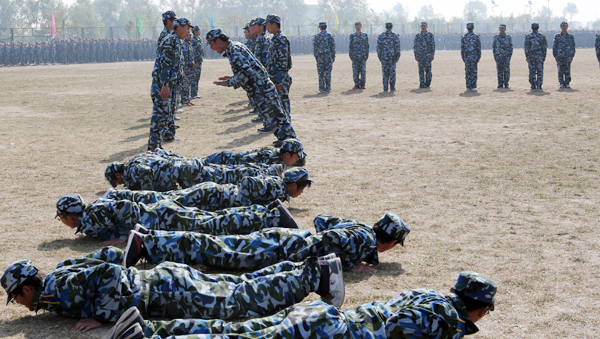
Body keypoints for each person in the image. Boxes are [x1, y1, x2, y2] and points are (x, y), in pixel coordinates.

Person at [1, 247, 345, 333]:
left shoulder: (58, 287)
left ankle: (317, 275)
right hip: (163, 284)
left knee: (238, 303)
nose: (17, 303)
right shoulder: (55, 284)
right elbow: (106, 255)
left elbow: (108, 269)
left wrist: (101, 316)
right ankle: (307, 270)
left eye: (16, 296)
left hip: (165, 292)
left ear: (27, 288)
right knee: (237, 288)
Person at [110, 271, 495, 339]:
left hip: (323, 317)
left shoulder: (429, 297)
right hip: (328, 333)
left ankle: (152, 328)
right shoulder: (446, 322)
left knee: (239, 330)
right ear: (476, 307)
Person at [123, 210, 410, 273]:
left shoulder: (362, 230)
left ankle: (150, 240)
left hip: (283, 241)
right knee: (215, 249)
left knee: (216, 247)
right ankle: (147, 242)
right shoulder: (364, 240)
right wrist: (350, 264)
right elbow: (332, 236)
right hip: (278, 248)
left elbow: (325, 221)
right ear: (390, 243)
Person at [55, 193, 298, 242]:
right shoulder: (91, 217)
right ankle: (267, 212)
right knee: (213, 220)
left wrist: (131, 234)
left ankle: (272, 216)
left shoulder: (93, 218)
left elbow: (126, 207)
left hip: (162, 219)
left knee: (213, 225)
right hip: (163, 215)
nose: (63, 222)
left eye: (61, 218)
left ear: (70, 216)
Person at [208, 28, 297, 145]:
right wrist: (232, 78)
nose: (211, 48)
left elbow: (246, 71)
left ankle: (292, 142)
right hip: (259, 88)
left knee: (277, 115)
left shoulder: (234, 50)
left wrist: (230, 82)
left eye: (211, 44)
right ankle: (284, 140)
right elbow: (246, 70)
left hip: (262, 88)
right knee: (272, 117)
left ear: (218, 41)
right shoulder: (234, 47)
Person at [106, 167, 312, 211]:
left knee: (167, 199)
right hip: (213, 196)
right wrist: (245, 204)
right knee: (166, 201)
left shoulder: (278, 189)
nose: (300, 193)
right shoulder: (277, 187)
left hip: (214, 196)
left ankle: (121, 197)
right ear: (293, 185)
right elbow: (249, 181)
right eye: (301, 189)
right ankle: (118, 196)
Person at [104, 149, 281, 192]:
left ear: (119, 174)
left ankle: (269, 172)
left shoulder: (134, 169)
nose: (120, 183)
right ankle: (266, 170)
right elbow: (159, 153)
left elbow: (146, 173)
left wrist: (146, 192)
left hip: (187, 175)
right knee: (227, 172)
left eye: (117, 181)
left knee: (228, 177)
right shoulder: (137, 158)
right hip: (187, 167)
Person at [147, 18, 191, 151]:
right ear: (179, 28)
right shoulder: (170, 41)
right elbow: (165, 65)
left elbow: (175, 64)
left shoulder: (177, 41)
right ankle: (153, 146)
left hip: (171, 85)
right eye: (186, 28)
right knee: (160, 116)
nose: (188, 31)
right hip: (163, 85)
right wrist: (165, 84)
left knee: (166, 116)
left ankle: (158, 145)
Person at [202, 137, 306, 166]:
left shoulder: (279, 158)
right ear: (287, 154)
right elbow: (243, 163)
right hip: (222, 162)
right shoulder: (270, 158)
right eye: (297, 156)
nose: (297, 159)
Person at [266, 15, 293, 117]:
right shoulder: (275, 38)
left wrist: (280, 81)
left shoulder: (280, 38)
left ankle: (287, 126)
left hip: (280, 78)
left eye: (268, 24)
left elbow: (282, 62)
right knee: (278, 104)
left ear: (274, 24)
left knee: (283, 103)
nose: (267, 28)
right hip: (276, 77)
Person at [376, 22, 401, 92]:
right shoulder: (395, 36)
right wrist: (397, 56)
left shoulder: (381, 36)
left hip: (384, 57)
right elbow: (397, 47)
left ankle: (385, 88)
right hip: (392, 57)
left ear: (385, 27)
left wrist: (380, 56)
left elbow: (378, 47)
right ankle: (392, 87)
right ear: (392, 27)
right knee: (392, 72)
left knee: (385, 73)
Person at [313, 22, 336, 92]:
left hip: (320, 56)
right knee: (328, 72)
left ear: (320, 28)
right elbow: (333, 47)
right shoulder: (330, 36)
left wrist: (316, 57)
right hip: (328, 56)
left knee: (321, 73)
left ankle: (321, 88)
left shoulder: (317, 37)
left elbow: (315, 48)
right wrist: (333, 56)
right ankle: (328, 88)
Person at [524, 22, 548, 91]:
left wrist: (527, 55)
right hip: (539, 56)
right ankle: (539, 86)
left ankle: (533, 85)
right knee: (540, 71)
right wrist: (544, 56)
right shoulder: (542, 36)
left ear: (531, 28)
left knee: (532, 71)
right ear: (538, 27)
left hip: (531, 56)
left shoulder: (528, 36)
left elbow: (526, 47)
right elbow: (544, 47)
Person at [552, 21, 576, 89]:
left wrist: (572, 55)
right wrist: (555, 55)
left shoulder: (571, 37)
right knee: (560, 70)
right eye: (563, 26)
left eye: (565, 26)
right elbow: (554, 46)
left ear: (567, 27)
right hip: (560, 56)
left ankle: (567, 83)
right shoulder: (557, 36)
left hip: (568, 56)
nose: (564, 28)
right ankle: (561, 83)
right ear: (560, 27)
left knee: (567, 70)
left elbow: (573, 46)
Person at [413, 21, 436, 88]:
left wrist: (432, 54)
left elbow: (433, 45)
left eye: (424, 26)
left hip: (428, 56)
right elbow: (415, 46)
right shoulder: (417, 36)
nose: (423, 27)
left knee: (428, 71)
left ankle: (427, 83)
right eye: (422, 26)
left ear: (427, 26)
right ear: (420, 27)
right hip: (420, 56)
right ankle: (422, 84)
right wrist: (415, 55)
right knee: (421, 71)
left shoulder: (430, 35)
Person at [461, 22, 481, 91]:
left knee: (468, 72)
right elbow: (478, 47)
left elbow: (462, 48)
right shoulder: (476, 36)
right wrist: (479, 56)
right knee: (474, 71)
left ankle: (468, 86)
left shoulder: (464, 36)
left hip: (467, 56)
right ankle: (473, 86)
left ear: (467, 28)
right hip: (474, 56)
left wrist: (463, 57)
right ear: (473, 28)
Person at [349, 21, 369, 90]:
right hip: (355, 56)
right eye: (356, 25)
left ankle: (362, 84)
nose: (358, 27)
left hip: (363, 56)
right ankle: (356, 84)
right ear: (355, 27)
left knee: (363, 71)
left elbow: (367, 46)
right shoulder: (352, 36)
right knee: (355, 71)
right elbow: (350, 46)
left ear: (361, 26)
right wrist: (350, 55)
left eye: (359, 25)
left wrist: (367, 55)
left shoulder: (364, 35)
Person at [492, 24, 513, 89]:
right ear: (499, 29)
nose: (502, 29)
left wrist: (510, 55)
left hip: (506, 56)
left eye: (503, 28)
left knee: (506, 70)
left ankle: (506, 84)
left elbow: (511, 46)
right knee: (499, 70)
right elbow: (494, 47)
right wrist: (495, 55)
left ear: (505, 29)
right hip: (499, 56)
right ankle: (500, 84)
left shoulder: (508, 37)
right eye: (501, 28)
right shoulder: (496, 37)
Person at [180, 32, 195, 106]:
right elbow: (183, 58)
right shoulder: (183, 44)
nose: (190, 36)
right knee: (184, 85)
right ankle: (184, 100)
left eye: (191, 35)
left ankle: (187, 99)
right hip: (186, 68)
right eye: (189, 35)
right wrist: (184, 68)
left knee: (188, 84)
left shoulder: (189, 44)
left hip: (190, 67)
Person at [190, 26, 204, 100]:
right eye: (198, 30)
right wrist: (195, 62)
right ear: (195, 31)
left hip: (199, 61)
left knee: (197, 77)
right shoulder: (193, 40)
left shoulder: (199, 39)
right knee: (194, 78)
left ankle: (195, 93)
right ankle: (193, 94)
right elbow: (193, 52)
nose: (199, 32)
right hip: (196, 62)